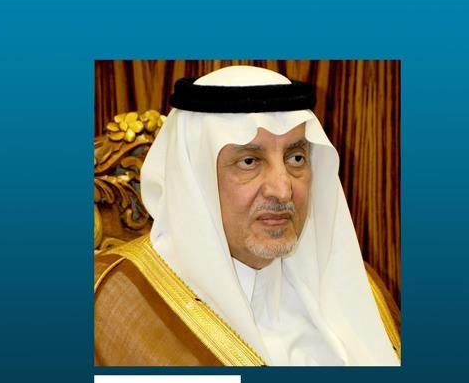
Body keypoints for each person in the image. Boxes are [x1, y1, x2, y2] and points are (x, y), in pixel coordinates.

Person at [94, 66, 400, 366]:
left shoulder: (358, 291)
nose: (283, 190)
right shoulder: (111, 299)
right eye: (249, 162)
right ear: (194, 177)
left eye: (296, 158)